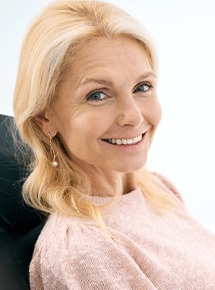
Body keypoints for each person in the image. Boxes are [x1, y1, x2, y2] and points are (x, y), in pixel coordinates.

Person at [13, 0, 215, 289]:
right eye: (97, 95)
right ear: (45, 118)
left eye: (142, 87)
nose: (133, 116)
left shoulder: (156, 189)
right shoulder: (83, 250)